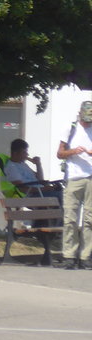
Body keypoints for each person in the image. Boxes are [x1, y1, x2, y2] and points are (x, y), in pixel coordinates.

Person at [56, 101, 92, 269]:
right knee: (70, 218)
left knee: (89, 220)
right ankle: (69, 255)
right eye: (86, 119)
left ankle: (86, 256)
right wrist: (73, 151)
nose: (87, 122)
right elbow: (60, 153)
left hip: (90, 178)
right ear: (80, 115)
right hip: (73, 178)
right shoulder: (70, 128)